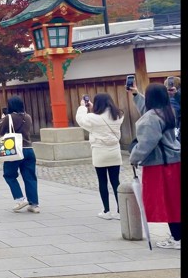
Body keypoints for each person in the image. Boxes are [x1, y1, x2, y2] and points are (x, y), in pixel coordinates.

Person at [129, 82, 181, 249]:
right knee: (175, 201)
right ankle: (177, 235)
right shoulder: (169, 111)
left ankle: (177, 238)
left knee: (169, 203)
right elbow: (149, 113)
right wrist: (136, 94)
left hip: (161, 164)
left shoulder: (152, 118)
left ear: (150, 98)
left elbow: (146, 143)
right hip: (174, 161)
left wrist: (134, 158)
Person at [75, 93, 124, 220]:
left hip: (100, 152)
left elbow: (81, 120)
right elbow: (104, 117)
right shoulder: (119, 115)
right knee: (115, 181)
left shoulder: (93, 118)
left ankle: (106, 210)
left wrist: (83, 107)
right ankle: (120, 211)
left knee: (102, 181)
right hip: (114, 152)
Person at [0, 96, 39, 213]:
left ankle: (20, 199)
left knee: (9, 175)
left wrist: (3, 119)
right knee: (30, 177)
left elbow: (1, 131)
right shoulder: (28, 116)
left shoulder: (9, 117)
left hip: (14, 149)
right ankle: (34, 204)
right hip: (29, 149)